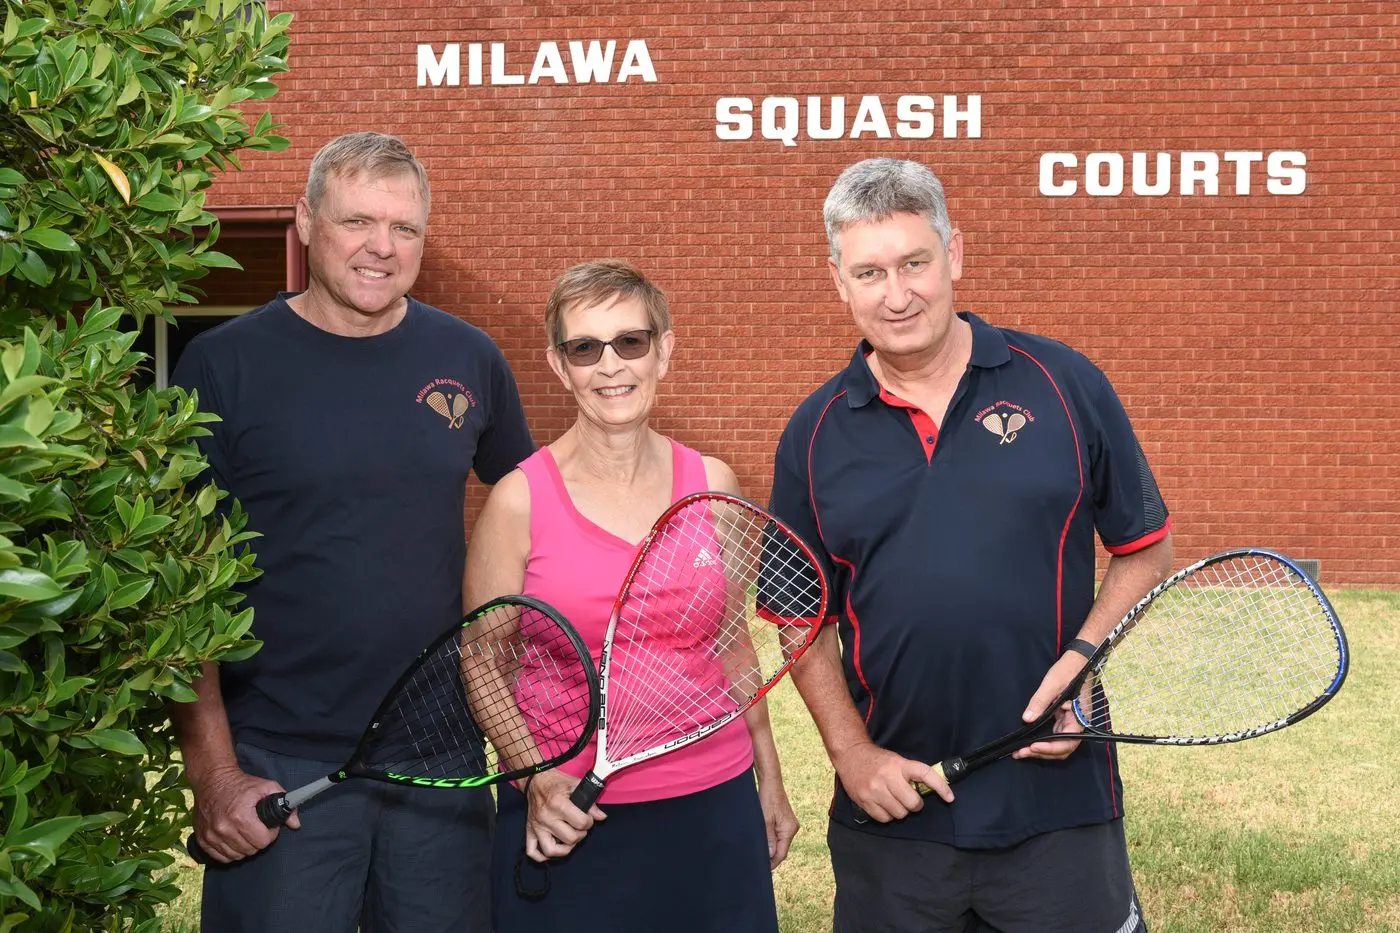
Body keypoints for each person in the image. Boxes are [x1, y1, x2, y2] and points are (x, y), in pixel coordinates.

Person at [768, 157, 1174, 933]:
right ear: (838, 280)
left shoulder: (1064, 383)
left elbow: (1143, 548)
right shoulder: (812, 434)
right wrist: (852, 755)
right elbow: (799, 616)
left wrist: (1081, 664)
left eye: (915, 262)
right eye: (871, 271)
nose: (898, 293)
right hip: (895, 807)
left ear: (954, 254)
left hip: (1056, 799)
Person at [170, 132, 535, 933]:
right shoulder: (222, 366)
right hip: (282, 762)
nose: (381, 246)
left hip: (441, 758)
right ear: (305, 221)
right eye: (357, 221)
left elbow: (539, 520)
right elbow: (173, 588)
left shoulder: (468, 357)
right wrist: (215, 772)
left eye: (404, 228)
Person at [465, 259, 798, 933]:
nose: (610, 365)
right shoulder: (519, 500)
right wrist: (537, 778)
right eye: (585, 347)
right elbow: (481, 660)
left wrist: (770, 777)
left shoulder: (714, 483)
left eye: (631, 341)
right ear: (560, 366)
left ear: (665, 349)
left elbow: (732, 644)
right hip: (573, 818)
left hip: (713, 804)